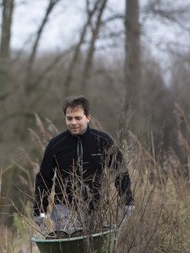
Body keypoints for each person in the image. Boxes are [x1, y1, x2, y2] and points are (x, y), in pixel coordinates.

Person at [34, 95, 134, 232]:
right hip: (64, 209)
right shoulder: (55, 145)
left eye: (78, 118)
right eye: (69, 118)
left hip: (96, 207)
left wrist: (127, 201)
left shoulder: (103, 141)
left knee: (93, 250)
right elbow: (44, 179)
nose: (73, 122)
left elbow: (120, 172)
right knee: (69, 249)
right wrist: (40, 211)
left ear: (88, 117)